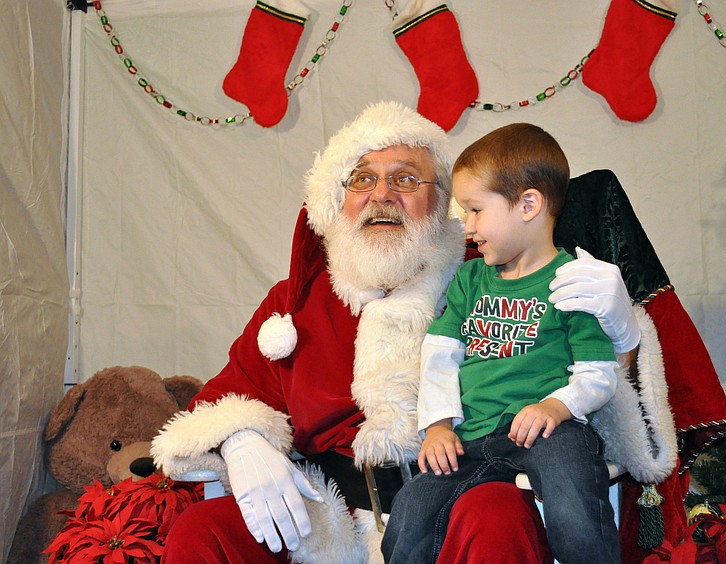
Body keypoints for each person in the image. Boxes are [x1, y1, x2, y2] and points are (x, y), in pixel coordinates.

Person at [151, 101, 643, 563]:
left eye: (405, 179)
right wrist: (242, 443)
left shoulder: (487, 275)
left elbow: (596, 378)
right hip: (327, 510)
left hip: (461, 483)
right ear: (335, 198)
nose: (380, 195)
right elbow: (222, 401)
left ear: (443, 202)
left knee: (494, 513)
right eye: (362, 178)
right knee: (203, 530)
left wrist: (622, 330)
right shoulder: (295, 300)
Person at [382, 123, 621, 563]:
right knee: (411, 509)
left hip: (547, 432)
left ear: (528, 204)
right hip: (471, 438)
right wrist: (437, 425)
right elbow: (439, 357)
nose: (467, 226)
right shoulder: (471, 280)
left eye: (475, 210)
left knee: (574, 497)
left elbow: (599, 373)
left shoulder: (573, 283)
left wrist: (556, 406)